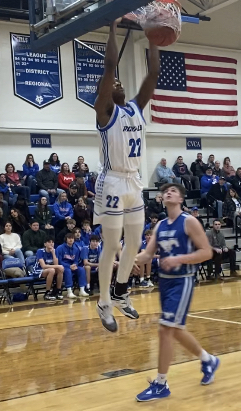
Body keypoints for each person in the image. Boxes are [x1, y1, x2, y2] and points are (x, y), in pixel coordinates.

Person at [93, 18, 160, 332]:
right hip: (112, 181)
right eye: (113, 83)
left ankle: (121, 291)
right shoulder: (105, 112)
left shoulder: (135, 108)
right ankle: (104, 301)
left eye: (120, 82)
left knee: (134, 242)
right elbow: (108, 67)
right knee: (111, 244)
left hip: (134, 180)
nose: (118, 83)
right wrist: (111, 27)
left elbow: (154, 73)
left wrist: (154, 35)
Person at [134, 183, 219, 402]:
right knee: (176, 330)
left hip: (182, 281)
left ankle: (161, 384)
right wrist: (128, 261)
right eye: (166, 191)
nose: (168, 193)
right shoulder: (160, 225)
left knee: (165, 330)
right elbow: (147, 254)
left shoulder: (189, 221)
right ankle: (208, 359)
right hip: (165, 282)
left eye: (173, 191)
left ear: (181, 199)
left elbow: (206, 252)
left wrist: (178, 259)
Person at [56, 232, 87, 298]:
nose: (71, 240)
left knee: (81, 269)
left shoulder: (76, 248)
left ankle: (82, 290)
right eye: (69, 238)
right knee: (68, 271)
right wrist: (69, 266)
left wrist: (75, 264)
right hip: (64, 266)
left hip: (72, 265)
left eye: (72, 238)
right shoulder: (60, 248)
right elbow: (59, 261)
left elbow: (76, 260)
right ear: (66, 239)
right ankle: (69, 292)